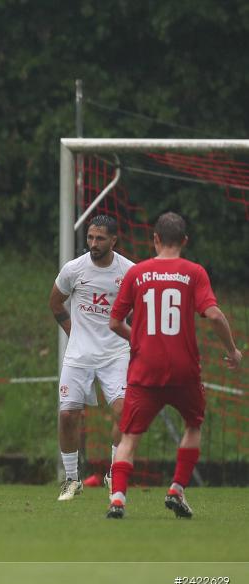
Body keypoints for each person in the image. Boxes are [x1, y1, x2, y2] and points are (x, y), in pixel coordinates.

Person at [106, 212, 241, 519]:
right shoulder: (193, 272)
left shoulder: (136, 273)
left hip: (145, 368)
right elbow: (215, 315)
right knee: (193, 424)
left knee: (130, 436)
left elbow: (114, 322)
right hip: (184, 369)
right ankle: (176, 489)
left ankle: (117, 500)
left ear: (154, 239)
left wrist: (137, 339)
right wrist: (232, 351)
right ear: (184, 241)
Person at [49, 215, 135, 500]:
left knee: (124, 413)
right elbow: (55, 302)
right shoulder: (74, 269)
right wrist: (74, 334)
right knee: (67, 415)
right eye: (90, 238)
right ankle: (72, 480)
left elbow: (141, 311)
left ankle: (114, 474)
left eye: (100, 238)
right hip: (79, 354)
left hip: (115, 353)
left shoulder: (129, 272)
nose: (93, 244)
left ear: (114, 240)